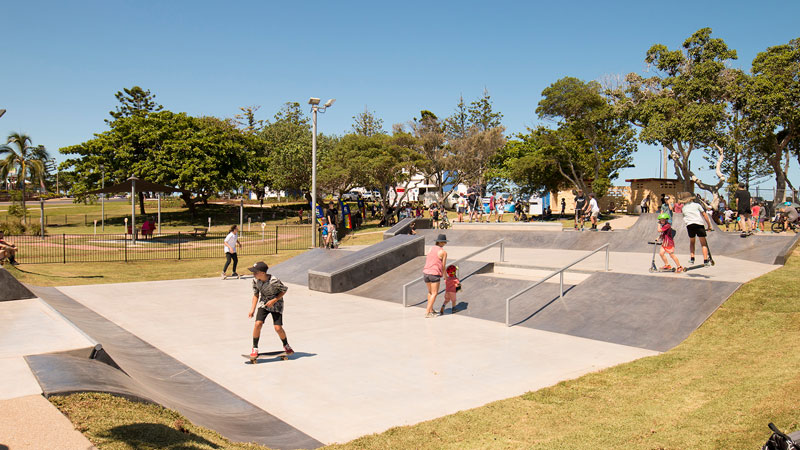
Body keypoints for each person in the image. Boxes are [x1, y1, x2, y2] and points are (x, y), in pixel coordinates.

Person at [247, 261, 293, 362]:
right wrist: (252, 309)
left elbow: (284, 290)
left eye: (255, 272)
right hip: (264, 303)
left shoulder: (274, 280)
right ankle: (255, 348)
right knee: (258, 324)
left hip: (277, 304)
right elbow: (256, 295)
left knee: (278, 328)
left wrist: (274, 300)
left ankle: (286, 344)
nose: (253, 274)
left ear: (263, 273)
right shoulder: (255, 281)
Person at [678, 192, 713, 266]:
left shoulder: (683, 208)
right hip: (699, 224)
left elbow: (685, 217)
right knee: (703, 243)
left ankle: (692, 258)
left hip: (690, 225)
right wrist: (709, 225)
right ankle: (705, 260)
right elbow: (704, 215)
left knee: (692, 241)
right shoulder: (697, 205)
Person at [422, 234, 448, 318]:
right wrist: (445, 277)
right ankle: (427, 312)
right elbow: (443, 267)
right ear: (442, 242)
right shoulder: (443, 252)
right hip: (434, 274)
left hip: (426, 273)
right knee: (434, 293)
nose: (445, 244)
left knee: (430, 292)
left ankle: (431, 310)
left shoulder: (431, 249)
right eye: (444, 242)